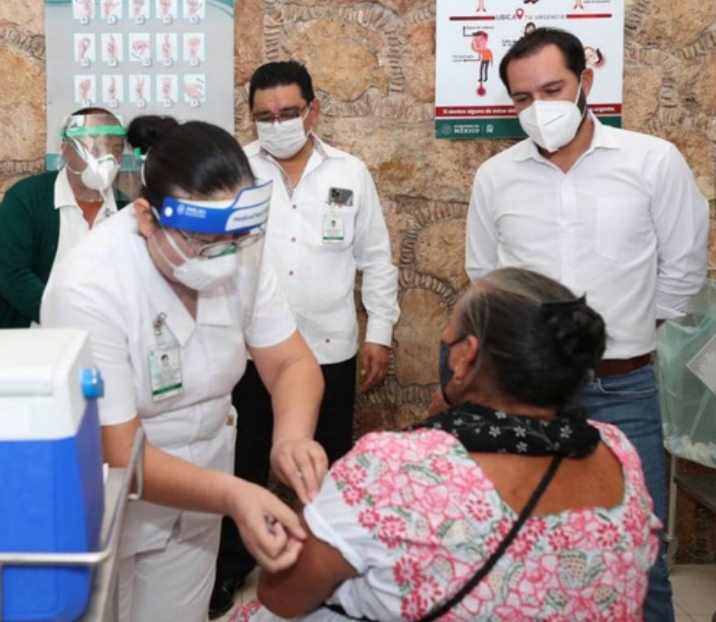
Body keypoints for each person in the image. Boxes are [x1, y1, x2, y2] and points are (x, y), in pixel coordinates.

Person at [234, 267, 660, 621]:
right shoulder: (617, 451)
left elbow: (281, 595)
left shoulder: (395, 467)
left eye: (449, 334)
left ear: (464, 357)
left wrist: (293, 527)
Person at [41, 115, 329, 622]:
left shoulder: (240, 247)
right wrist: (237, 493)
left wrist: (291, 437)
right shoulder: (88, 285)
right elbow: (119, 450)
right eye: (201, 241)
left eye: (234, 240)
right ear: (148, 217)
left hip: (201, 503)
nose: (222, 258)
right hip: (112, 506)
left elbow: (289, 361)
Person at [464, 28, 709, 621]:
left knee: (640, 551)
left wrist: (626, 330)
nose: (539, 108)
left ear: (586, 83)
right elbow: (486, 280)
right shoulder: (496, 178)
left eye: (553, 89)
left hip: (623, 387)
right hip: (525, 395)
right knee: (525, 544)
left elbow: (682, 267)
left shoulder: (652, 160)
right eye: (523, 98)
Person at [210, 61, 400, 617]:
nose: (278, 123)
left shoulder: (349, 172)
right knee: (244, 463)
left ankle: (330, 573)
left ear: (313, 110)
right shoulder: (234, 170)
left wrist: (380, 334)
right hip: (250, 353)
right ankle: (231, 565)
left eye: (289, 113)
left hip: (330, 347)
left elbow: (378, 261)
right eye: (265, 116)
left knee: (331, 465)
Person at [0, 107, 128, 328]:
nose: (107, 160)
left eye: (115, 150)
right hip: (34, 340)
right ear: (67, 150)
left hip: (107, 341)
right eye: (94, 149)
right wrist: (70, 318)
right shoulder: (27, 198)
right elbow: (12, 273)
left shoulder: (128, 210)